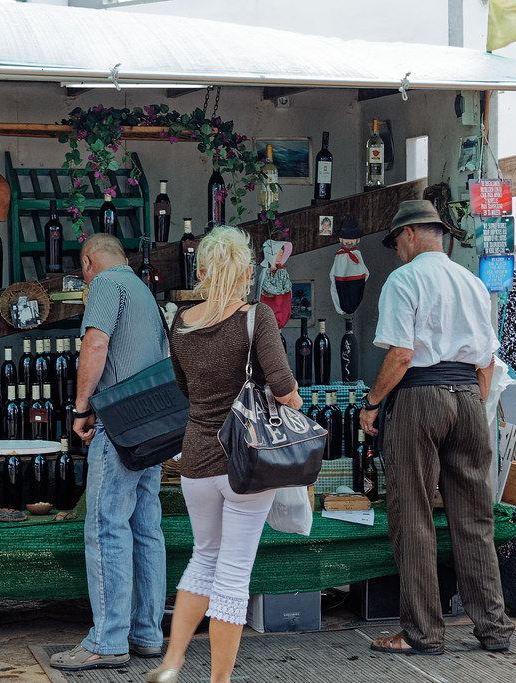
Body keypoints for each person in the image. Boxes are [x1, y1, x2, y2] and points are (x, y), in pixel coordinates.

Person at [146, 226, 302, 683]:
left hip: (195, 458)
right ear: (247, 272)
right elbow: (282, 385)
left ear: (202, 272)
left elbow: (183, 388)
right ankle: (220, 681)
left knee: (203, 557)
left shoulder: (181, 323)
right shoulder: (256, 317)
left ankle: (173, 662)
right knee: (233, 576)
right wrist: (296, 407)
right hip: (246, 462)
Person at [360, 199, 513, 655]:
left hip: (421, 396)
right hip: (468, 395)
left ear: (409, 235)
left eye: (396, 243)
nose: (397, 251)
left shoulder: (403, 280)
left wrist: (372, 402)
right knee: (474, 519)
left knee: (413, 515)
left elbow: (402, 354)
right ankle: (494, 630)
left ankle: (423, 633)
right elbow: (487, 362)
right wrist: (467, 404)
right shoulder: (471, 281)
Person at [50, 234, 168, 671]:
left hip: (118, 425)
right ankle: (146, 634)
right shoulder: (143, 291)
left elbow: (95, 344)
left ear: (87, 263)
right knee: (145, 528)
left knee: (104, 526)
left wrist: (81, 409)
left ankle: (107, 640)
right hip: (153, 426)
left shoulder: (104, 285)